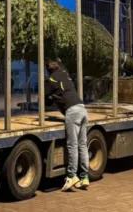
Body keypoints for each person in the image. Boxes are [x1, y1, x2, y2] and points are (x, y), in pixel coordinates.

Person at [44, 58, 89, 191]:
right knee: (82, 145)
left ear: (48, 71)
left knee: (72, 145)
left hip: (72, 112)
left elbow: (45, 98)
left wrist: (51, 98)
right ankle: (85, 177)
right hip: (82, 109)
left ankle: (71, 176)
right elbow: (61, 64)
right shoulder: (65, 73)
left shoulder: (51, 80)